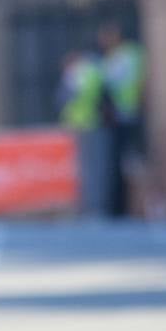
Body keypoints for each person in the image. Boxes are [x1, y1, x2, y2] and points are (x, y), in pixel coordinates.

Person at [97, 21, 146, 217]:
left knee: (124, 162)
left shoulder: (122, 56)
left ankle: (124, 206)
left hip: (124, 114)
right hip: (124, 114)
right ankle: (123, 206)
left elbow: (113, 83)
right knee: (123, 162)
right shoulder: (128, 54)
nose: (102, 42)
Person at [57, 48, 108, 216]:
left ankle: (92, 207)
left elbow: (64, 98)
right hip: (91, 123)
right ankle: (96, 206)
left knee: (89, 169)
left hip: (83, 125)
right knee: (96, 168)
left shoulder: (79, 74)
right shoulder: (93, 71)